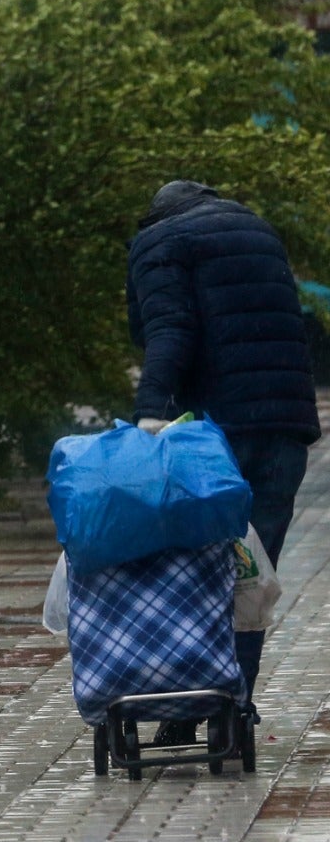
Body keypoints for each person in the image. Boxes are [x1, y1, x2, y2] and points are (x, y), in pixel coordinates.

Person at [125, 180, 323, 747]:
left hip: (217, 437)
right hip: (284, 428)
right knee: (249, 575)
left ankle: (191, 708)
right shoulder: (259, 231)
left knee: (199, 572)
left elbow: (168, 330)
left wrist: (148, 417)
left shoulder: (159, 240)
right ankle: (232, 709)